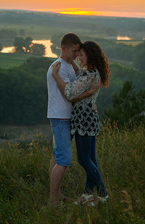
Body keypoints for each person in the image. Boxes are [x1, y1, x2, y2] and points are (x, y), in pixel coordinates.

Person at [52, 41, 110, 206]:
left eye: (82, 54)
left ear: (89, 56)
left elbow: (69, 93)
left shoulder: (88, 75)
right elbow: (80, 76)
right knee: (91, 158)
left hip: (83, 121)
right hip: (90, 119)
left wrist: (55, 76)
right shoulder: (91, 72)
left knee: (84, 160)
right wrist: (74, 64)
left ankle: (103, 194)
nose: (78, 56)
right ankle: (87, 194)